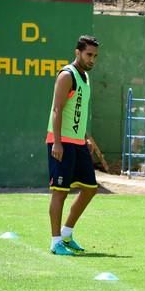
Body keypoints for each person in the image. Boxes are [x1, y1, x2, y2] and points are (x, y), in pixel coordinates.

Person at [46, 35, 100, 256]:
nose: (92, 59)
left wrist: (86, 137)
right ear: (77, 52)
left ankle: (67, 234)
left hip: (77, 142)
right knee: (60, 192)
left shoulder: (85, 77)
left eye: (95, 56)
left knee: (90, 188)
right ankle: (55, 241)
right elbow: (58, 110)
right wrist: (57, 143)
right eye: (89, 55)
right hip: (62, 142)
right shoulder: (66, 75)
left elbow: (78, 111)